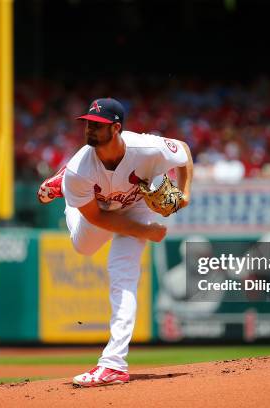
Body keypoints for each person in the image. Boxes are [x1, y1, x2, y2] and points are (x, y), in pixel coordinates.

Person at [37, 98, 193, 387]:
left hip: (138, 205)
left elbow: (183, 151)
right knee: (82, 246)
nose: (90, 129)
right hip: (99, 209)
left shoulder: (146, 148)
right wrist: (144, 232)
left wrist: (184, 193)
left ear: (117, 128)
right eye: (88, 123)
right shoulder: (79, 169)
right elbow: (100, 219)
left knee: (123, 278)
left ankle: (114, 365)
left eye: (98, 125)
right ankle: (66, 195)